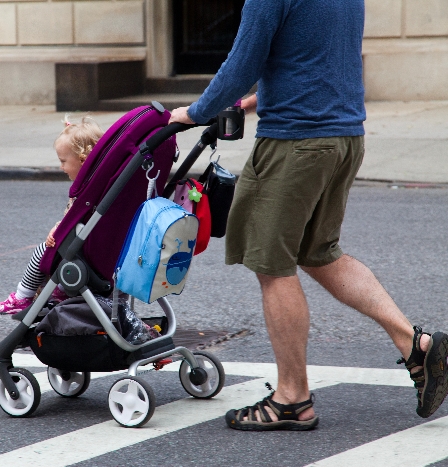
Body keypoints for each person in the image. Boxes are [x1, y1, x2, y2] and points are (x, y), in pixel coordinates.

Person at [169, 0, 448, 431]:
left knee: (272, 265)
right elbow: (322, 57)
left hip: (295, 141)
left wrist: (193, 113)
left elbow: (243, 61)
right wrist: (256, 100)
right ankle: (416, 344)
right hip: (344, 136)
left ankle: (292, 399)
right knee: (319, 252)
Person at [0, 116, 105, 314]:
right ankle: (54, 291)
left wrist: (60, 230)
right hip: (91, 246)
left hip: (81, 249)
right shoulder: (98, 186)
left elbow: (80, 219)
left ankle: (22, 296)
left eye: (63, 161)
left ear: (82, 159)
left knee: (42, 251)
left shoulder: (86, 192)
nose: (61, 167)